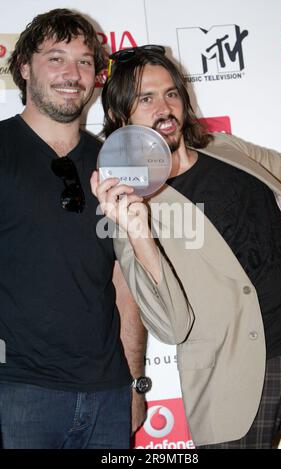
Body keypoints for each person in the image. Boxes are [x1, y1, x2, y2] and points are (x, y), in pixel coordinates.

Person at [91, 45, 281, 449]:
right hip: (234, 382)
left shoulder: (226, 148)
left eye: (171, 93)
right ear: (122, 117)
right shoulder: (131, 205)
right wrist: (139, 235)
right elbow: (170, 325)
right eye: (146, 99)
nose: (164, 107)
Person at [0, 9, 167, 449]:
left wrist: (134, 382)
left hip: (109, 396)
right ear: (23, 67)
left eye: (85, 61)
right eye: (56, 58)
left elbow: (125, 284)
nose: (72, 73)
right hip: (17, 395)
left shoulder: (118, 163)